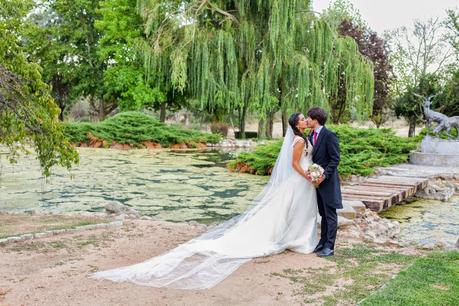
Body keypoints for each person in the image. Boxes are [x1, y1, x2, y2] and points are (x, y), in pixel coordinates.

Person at [91, 112, 319, 290]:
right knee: (291, 210)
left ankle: (295, 237)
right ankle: (294, 239)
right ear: (296, 125)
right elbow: (294, 165)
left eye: (305, 119)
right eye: (302, 120)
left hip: (302, 183)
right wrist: (308, 175)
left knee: (295, 210)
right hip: (300, 180)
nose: (305, 121)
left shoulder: (303, 137)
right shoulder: (298, 141)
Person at [305, 107, 342, 257]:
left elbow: (335, 159)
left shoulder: (329, 135)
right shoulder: (310, 135)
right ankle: (323, 241)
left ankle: (330, 247)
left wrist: (323, 175)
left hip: (328, 182)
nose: (306, 120)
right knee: (323, 213)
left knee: (330, 214)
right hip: (316, 183)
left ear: (315, 120)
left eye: (308, 118)